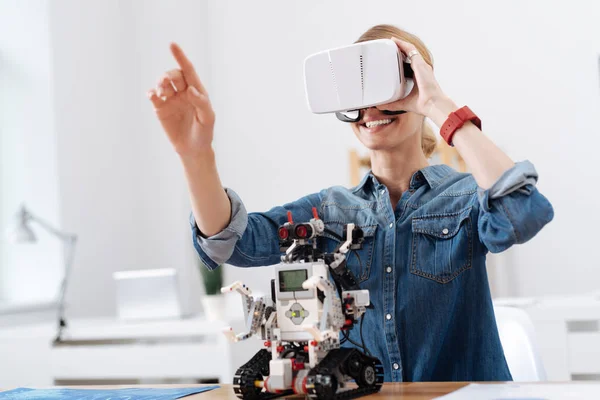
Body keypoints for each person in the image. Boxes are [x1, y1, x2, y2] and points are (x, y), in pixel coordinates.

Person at [147, 24, 553, 382]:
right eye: (358, 94)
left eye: (387, 87)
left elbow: (523, 211)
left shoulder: (466, 197)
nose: (371, 110)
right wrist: (196, 156)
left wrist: (438, 106)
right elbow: (230, 242)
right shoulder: (330, 213)